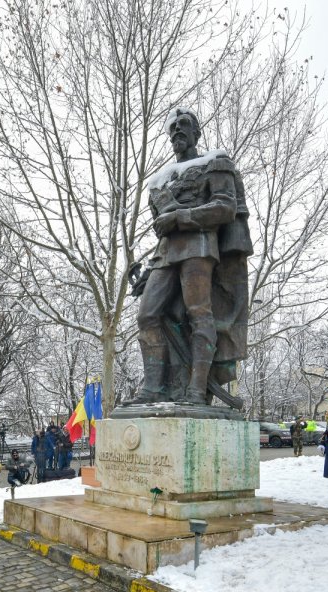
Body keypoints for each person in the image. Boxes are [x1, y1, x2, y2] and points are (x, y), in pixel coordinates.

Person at [128, 108, 251, 406]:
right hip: (166, 254)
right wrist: (148, 270)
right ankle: (155, 388)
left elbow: (225, 207)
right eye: (172, 128)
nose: (177, 132)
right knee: (147, 315)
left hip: (200, 246)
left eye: (183, 126)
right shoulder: (161, 180)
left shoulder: (214, 163)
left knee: (199, 313)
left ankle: (197, 389)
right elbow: (161, 228)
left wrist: (181, 217)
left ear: (196, 132)